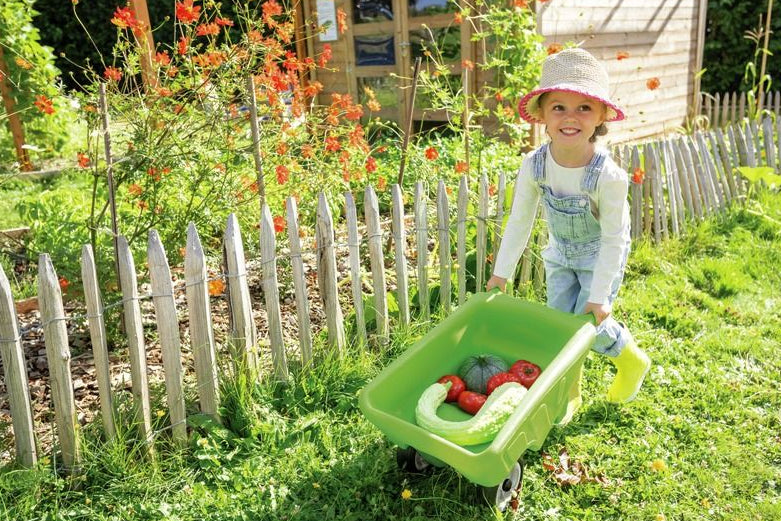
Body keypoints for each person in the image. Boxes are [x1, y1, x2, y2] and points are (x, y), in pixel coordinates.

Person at [485, 48, 651, 421]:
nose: (570, 117)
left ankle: (631, 360)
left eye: (584, 108)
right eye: (558, 107)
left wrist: (599, 295)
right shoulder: (534, 165)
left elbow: (614, 239)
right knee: (559, 327)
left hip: (599, 255)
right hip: (560, 253)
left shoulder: (608, 176)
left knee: (589, 325)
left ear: (602, 116)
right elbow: (520, 220)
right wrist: (502, 272)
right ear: (542, 113)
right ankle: (569, 394)